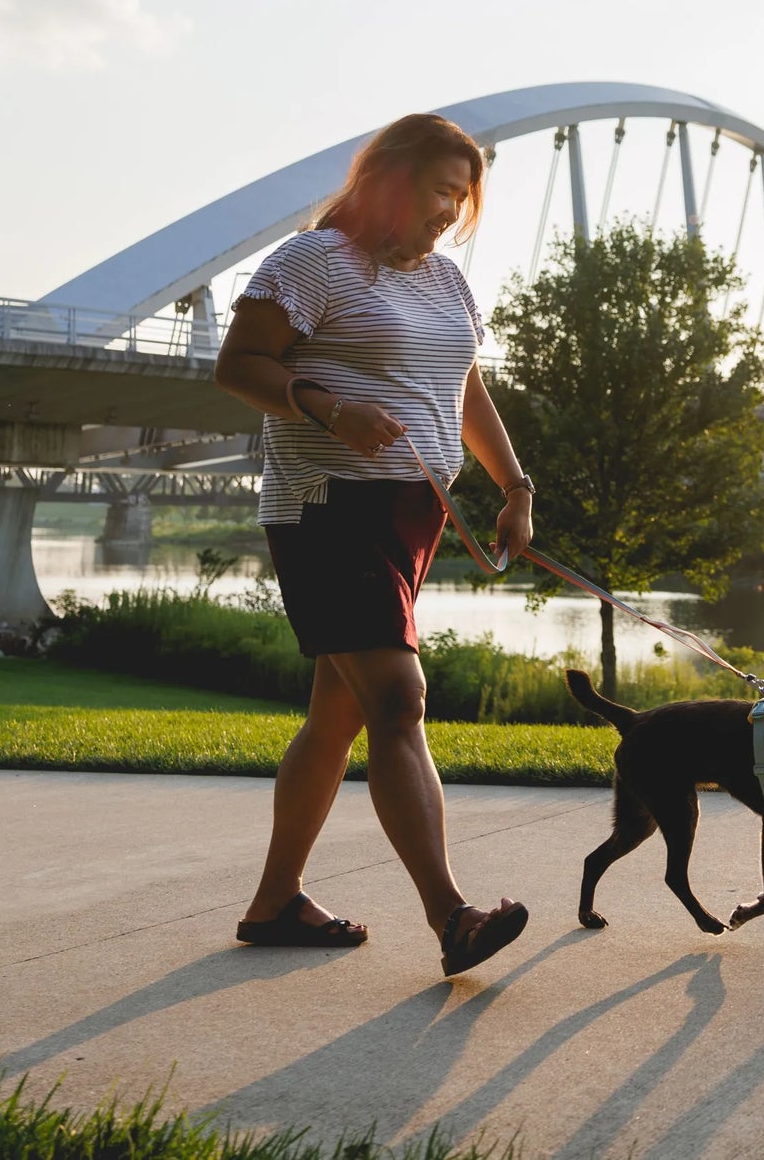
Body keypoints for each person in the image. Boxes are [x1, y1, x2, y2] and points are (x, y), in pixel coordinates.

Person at [213, 113, 534, 977]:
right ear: (390, 179)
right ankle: (451, 915)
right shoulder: (309, 265)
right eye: (438, 191)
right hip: (330, 508)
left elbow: (464, 384)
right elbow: (238, 364)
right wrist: (328, 407)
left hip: (411, 519)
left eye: (460, 199)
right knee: (398, 699)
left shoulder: (447, 283)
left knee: (338, 717)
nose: (449, 212)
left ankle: (277, 900)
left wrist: (514, 486)